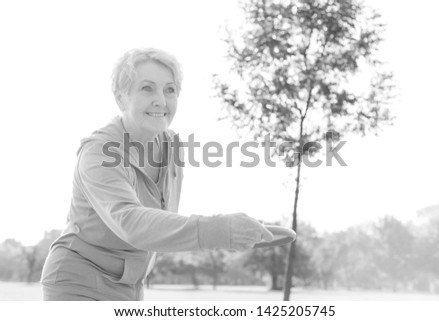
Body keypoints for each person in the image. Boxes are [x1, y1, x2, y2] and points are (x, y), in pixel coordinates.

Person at [40, 48, 273, 301]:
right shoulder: (99, 152)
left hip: (132, 287)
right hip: (78, 283)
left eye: (170, 90)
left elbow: (160, 223)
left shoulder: (172, 146)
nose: (161, 100)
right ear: (121, 98)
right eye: (147, 88)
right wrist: (220, 229)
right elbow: (131, 223)